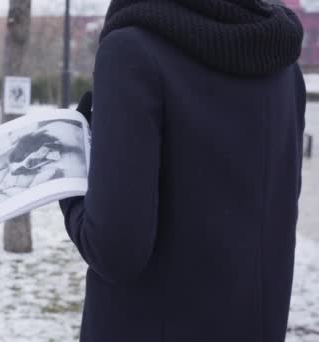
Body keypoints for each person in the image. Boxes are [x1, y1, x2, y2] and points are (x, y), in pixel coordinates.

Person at [59, 1, 306, 341]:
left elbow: (116, 250)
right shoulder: (282, 60)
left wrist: (68, 182)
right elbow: (277, 208)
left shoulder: (131, 52)